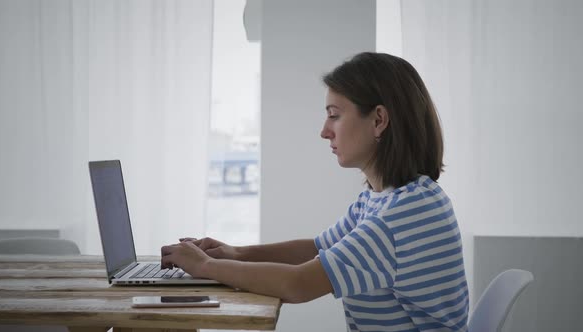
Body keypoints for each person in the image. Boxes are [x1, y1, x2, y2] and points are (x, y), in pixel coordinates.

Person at [161, 52, 469, 331]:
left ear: (378, 120)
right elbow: (317, 249)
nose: (324, 131)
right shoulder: (381, 200)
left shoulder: (402, 215)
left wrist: (205, 266)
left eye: (334, 115)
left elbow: (297, 284)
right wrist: (236, 253)